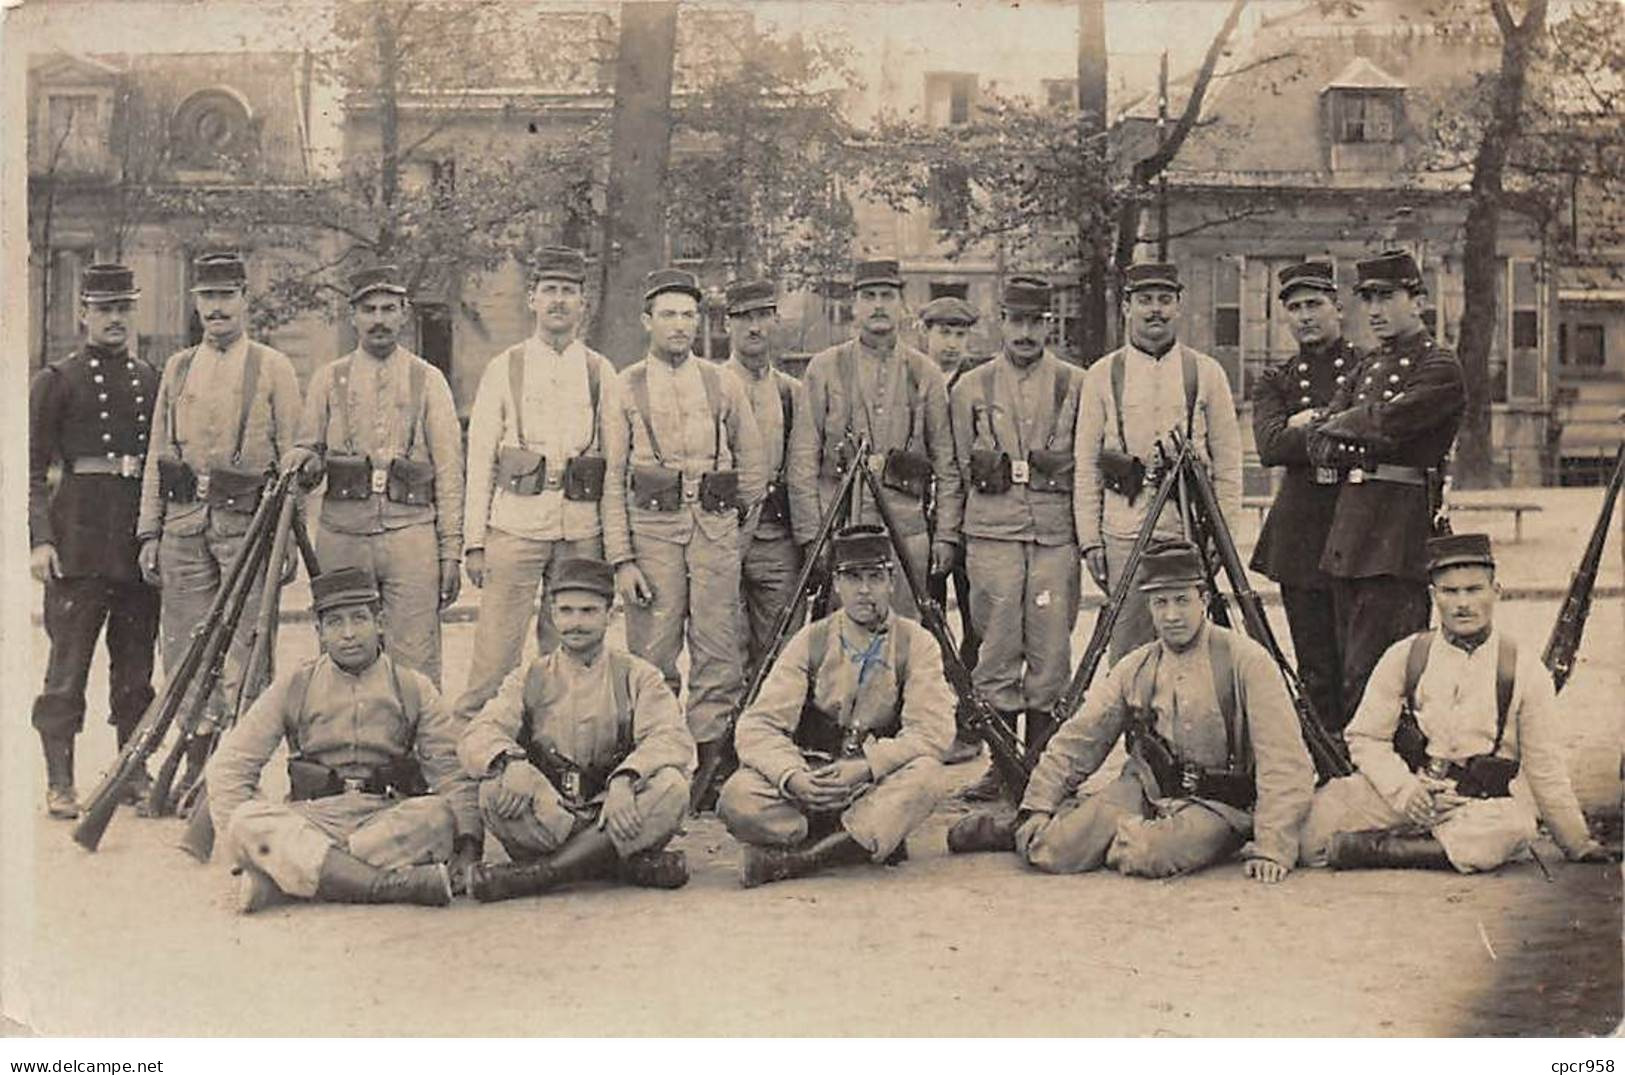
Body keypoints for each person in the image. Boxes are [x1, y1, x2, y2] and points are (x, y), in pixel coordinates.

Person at [949, 543, 1314, 885]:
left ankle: (1097, 826)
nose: (1172, 615)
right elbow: (1081, 739)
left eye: (1182, 601)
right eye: (1160, 603)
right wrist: (1037, 805)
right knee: (1054, 851)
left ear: (1203, 599)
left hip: (1220, 804)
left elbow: (1284, 760)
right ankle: (1050, 827)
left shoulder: (1245, 661)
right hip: (1148, 788)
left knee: (1150, 854)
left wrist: (1273, 846)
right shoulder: (1136, 666)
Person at [1299, 533, 1610, 872]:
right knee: (1312, 832)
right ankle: (1422, 841)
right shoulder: (1407, 655)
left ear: (1496, 592)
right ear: (1434, 596)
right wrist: (1406, 791)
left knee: (1513, 828)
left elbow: (1545, 765)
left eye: (1474, 590)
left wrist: (1577, 843)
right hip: (1412, 790)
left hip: (1478, 805)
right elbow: (1365, 737)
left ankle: (1379, 849)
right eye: (1450, 591)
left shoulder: (1523, 668)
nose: (1463, 603)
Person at [206, 567, 480, 912]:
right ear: (319, 631)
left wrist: (470, 846)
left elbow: (451, 773)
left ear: (379, 623)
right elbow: (230, 766)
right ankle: (388, 885)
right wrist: (241, 854)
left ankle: (294, 876)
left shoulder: (413, 687)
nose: (349, 634)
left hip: (384, 817)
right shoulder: (295, 686)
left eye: (359, 619)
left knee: (436, 816)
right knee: (248, 822)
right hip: (313, 819)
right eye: (335, 623)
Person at [137, 252, 303, 782]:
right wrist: (149, 531)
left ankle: (238, 765)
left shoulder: (274, 367)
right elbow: (158, 455)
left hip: (247, 533)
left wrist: (290, 542)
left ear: (244, 300)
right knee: (184, 648)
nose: (216, 308)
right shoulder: (179, 367)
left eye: (226, 296)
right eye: (207, 298)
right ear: (195, 303)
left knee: (245, 650)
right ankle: (194, 755)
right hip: (183, 529)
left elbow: (294, 461)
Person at [718, 524, 955, 887]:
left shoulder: (917, 643)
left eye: (875, 578)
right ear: (838, 584)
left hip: (870, 782)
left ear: (892, 582)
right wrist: (793, 776)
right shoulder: (811, 640)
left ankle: (803, 859)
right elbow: (757, 725)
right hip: (812, 778)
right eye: (853, 578)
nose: (864, 590)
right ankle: (862, 836)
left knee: (928, 777)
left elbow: (934, 732)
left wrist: (866, 767)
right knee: (737, 798)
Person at [602, 268, 766, 784]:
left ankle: (712, 768)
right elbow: (612, 478)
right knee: (653, 652)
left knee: (719, 650)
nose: (679, 325)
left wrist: (733, 533)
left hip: (714, 533)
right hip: (651, 536)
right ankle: (656, 762)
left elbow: (754, 468)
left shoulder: (722, 382)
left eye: (689, 315)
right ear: (647, 320)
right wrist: (622, 560)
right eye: (669, 314)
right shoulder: (624, 386)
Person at [457, 558, 696, 901]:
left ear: (609, 614)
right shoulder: (531, 676)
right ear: (552, 614)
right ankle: (612, 862)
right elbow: (478, 732)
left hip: (614, 810)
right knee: (493, 792)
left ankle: (546, 874)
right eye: (566, 611)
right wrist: (511, 762)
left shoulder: (637, 674)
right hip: (552, 814)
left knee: (671, 787)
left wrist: (626, 778)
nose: (576, 623)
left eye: (588, 611)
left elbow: (671, 738)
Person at [283, 264, 465, 687]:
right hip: (343, 534)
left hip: (411, 534)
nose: (379, 319)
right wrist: (304, 459)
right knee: (343, 650)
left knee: (416, 656)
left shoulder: (429, 380)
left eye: (389, 308)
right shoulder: (328, 379)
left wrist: (450, 551)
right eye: (369, 309)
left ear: (405, 314)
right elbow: (308, 450)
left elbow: (450, 474)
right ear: (353, 316)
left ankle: (415, 749)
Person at [1307, 249, 1466, 731]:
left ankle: (1392, 782)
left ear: (1418, 300)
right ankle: (1356, 782)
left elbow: (1390, 421)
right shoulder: (1366, 366)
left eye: (1387, 297)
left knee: (1382, 673)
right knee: (1344, 670)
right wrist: (1349, 429)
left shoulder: (1439, 366)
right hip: (1349, 531)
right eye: (1367, 299)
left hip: (1398, 533)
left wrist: (1347, 425)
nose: (1374, 310)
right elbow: (1317, 443)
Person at [459, 246, 621, 703]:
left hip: (580, 531)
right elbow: (481, 461)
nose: (558, 301)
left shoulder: (599, 371)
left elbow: (614, 464)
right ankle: (478, 750)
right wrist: (475, 542)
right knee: (495, 653)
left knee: (574, 652)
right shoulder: (504, 367)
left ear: (582, 302)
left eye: (569, 291)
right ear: (532, 298)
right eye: (549, 290)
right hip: (514, 527)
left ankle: (566, 748)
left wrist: (611, 544)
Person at [941, 277, 1082, 800]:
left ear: (1050, 323)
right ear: (1001, 321)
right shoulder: (971, 388)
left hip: (1052, 536)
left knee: (1050, 650)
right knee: (996, 648)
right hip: (992, 532)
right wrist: (947, 536)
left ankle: (1041, 769)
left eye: (1036, 321)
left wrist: (1086, 540)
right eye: (1016, 320)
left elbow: (1085, 470)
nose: (1025, 332)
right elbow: (953, 471)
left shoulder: (1076, 384)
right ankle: (1002, 768)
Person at [29, 264, 161, 818]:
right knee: (67, 671)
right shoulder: (56, 380)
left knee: (135, 674)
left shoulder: (151, 379)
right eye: (104, 308)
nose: (115, 319)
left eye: (124, 308)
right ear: (83, 313)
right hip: (78, 544)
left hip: (134, 544)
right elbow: (29, 470)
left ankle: (131, 771)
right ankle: (61, 782)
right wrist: (40, 540)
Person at [1074, 262, 1242, 665]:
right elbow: (1086, 466)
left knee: (1192, 646)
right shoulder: (1101, 375)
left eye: (1165, 300)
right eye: (1145, 300)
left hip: (1188, 529)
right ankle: (1135, 728)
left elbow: (1228, 463)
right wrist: (1090, 541)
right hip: (1123, 532)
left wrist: (1225, 536)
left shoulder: (1206, 373)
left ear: (1179, 306)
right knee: (1128, 649)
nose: (1155, 310)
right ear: (1127, 307)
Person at [786, 258, 959, 617]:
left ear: (902, 305)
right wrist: (811, 537)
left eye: (887, 295)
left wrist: (945, 534)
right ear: (855, 305)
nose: (878, 305)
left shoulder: (923, 373)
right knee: (842, 639)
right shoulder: (824, 369)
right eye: (869, 296)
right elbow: (802, 460)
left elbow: (946, 463)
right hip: (841, 527)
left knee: (905, 635)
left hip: (907, 531)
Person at [1250, 261, 1361, 733]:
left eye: (1314, 304)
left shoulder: (1366, 368)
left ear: (1338, 307)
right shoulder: (1275, 380)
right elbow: (1271, 447)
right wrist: (1337, 422)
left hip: (1358, 524)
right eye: (1294, 308)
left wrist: (1307, 421)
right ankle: (1324, 757)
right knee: (1314, 662)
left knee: (1359, 657)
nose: (1304, 316)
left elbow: (1373, 435)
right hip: (1300, 536)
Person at [723, 278, 809, 670]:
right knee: (723, 649)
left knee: (782, 652)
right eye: (744, 318)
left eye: (763, 316)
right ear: (727, 324)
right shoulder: (711, 387)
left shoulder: (793, 392)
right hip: (722, 535)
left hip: (777, 539)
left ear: (775, 321)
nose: (754, 327)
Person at [919, 293, 983, 766]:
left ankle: (969, 724)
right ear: (924, 334)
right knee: (927, 624)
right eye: (943, 333)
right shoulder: (914, 381)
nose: (951, 344)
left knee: (976, 628)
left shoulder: (976, 387)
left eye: (960, 334)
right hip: (919, 527)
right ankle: (926, 724)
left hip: (968, 525)